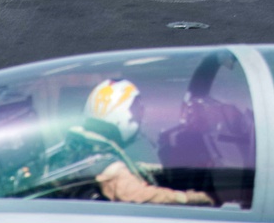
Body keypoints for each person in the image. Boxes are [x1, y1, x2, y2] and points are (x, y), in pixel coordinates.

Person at [31, 80, 214, 205]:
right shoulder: (104, 163)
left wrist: (165, 170)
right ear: (121, 115)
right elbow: (140, 198)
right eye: (135, 112)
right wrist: (195, 198)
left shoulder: (78, 146)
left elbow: (126, 169)